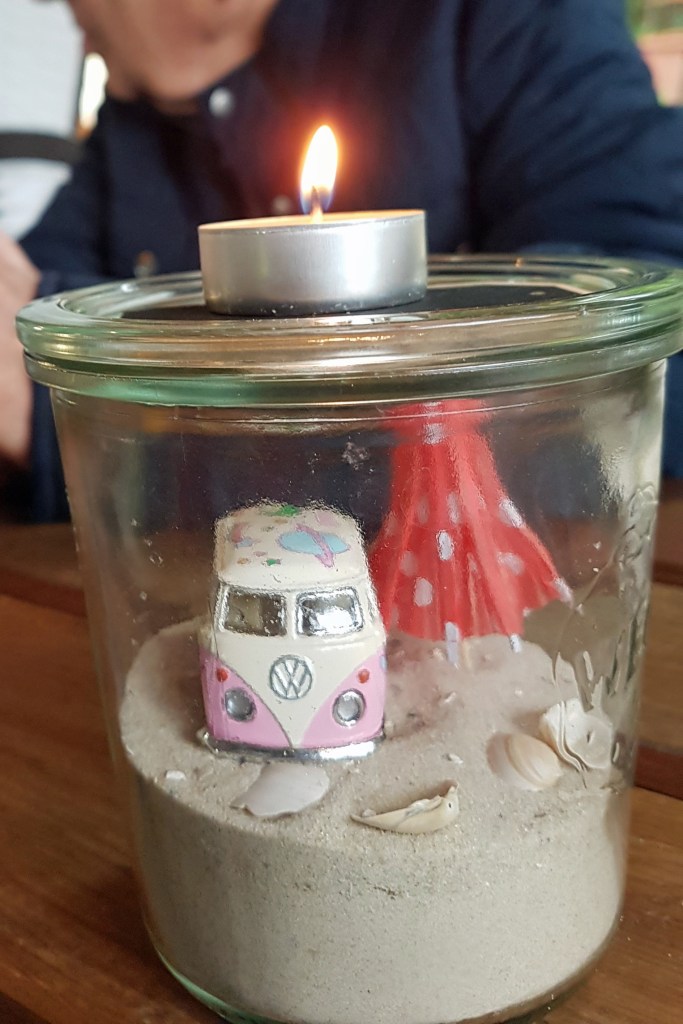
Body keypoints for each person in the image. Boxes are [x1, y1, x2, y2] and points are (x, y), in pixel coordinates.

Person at [2, 0, 683, 521]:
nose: (74, 25)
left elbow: (637, 375)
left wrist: (105, 441)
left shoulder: (503, 21)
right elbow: (28, 316)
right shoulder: (137, 124)